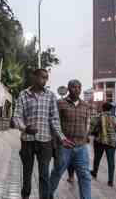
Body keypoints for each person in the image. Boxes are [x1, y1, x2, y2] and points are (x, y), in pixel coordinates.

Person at [12, 69, 74, 199]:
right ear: (34, 77)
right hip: (27, 141)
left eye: (46, 78)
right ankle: (25, 196)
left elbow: (54, 120)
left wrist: (62, 138)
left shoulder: (50, 96)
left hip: (45, 142)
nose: (44, 80)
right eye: (42, 77)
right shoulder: (23, 95)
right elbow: (17, 116)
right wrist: (24, 128)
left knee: (44, 175)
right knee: (27, 173)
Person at [49, 79, 92, 199]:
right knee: (57, 172)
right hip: (64, 147)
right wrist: (55, 142)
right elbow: (54, 123)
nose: (77, 89)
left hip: (81, 147)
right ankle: (48, 194)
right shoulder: (60, 103)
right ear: (69, 89)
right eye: (74, 87)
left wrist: (86, 135)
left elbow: (87, 122)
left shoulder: (85, 105)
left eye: (79, 87)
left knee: (85, 175)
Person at [90, 102, 116, 187]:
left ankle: (94, 172)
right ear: (111, 109)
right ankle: (110, 181)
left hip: (99, 141)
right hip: (111, 142)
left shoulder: (97, 117)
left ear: (102, 108)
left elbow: (91, 129)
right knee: (111, 161)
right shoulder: (115, 119)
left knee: (97, 158)